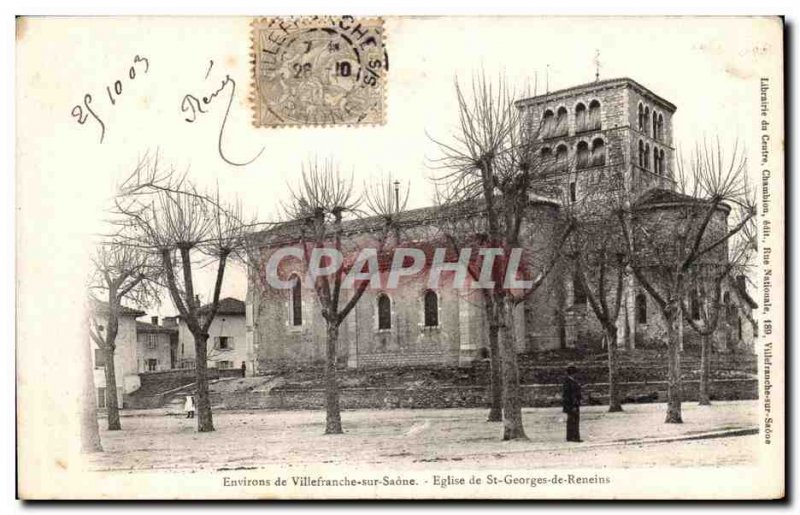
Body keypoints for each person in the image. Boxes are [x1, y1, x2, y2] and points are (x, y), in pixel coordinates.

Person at [562, 365, 582, 442]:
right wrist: (574, 405)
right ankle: (574, 437)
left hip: (572, 404)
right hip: (572, 404)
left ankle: (571, 437)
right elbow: (571, 395)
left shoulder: (570, 381)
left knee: (572, 421)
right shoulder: (569, 382)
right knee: (573, 420)